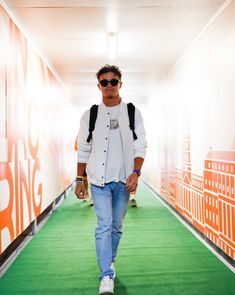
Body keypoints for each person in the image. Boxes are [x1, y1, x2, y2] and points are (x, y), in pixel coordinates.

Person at [75, 64, 147, 295]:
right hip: (98, 181)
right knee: (104, 225)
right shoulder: (90, 115)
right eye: (104, 82)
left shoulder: (132, 112)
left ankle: (110, 260)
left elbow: (141, 145)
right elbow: (83, 149)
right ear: (98, 86)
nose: (109, 86)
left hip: (124, 181)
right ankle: (106, 275)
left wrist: (136, 173)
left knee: (116, 226)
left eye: (113, 82)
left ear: (120, 84)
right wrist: (79, 179)